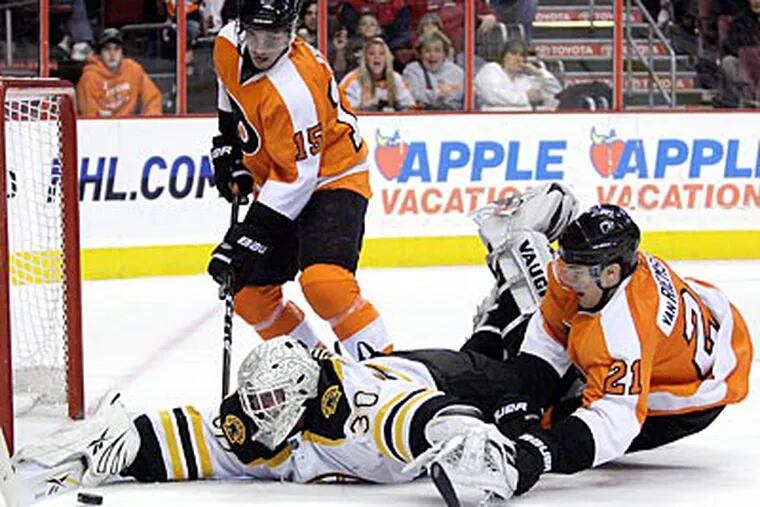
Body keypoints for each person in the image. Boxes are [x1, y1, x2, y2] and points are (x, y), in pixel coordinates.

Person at [410, 203, 754, 504]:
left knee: (554, 423)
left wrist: (536, 455)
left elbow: (614, 420)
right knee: (520, 381)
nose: (565, 277)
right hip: (664, 344)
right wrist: (520, 399)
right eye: (565, 266)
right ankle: (499, 315)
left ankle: (493, 339)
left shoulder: (626, 330)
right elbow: (548, 341)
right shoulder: (586, 275)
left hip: (680, 393)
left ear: (611, 273)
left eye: (575, 272)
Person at [1, 336, 547, 504]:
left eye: (270, 401)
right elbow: (194, 440)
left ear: (303, 394)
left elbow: (422, 416)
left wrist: (468, 437)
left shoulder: (356, 409)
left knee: (537, 385)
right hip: (407, 374)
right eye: (255, 399)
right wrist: (128, 443)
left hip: (441, 375)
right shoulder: (257, 424)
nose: (258, 412)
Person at [207, 0, 391, 361]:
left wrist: (249, 234)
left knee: (325, 283)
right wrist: (228, 145)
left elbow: (298, 179)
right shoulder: (227, 42)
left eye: (273, 36)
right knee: (248, 294)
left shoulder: (295, 88)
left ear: (291, 34)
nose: (261, 48)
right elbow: (229, 87)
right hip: (282, 177)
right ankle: (312, 369)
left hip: (333, 176)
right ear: (241, 28)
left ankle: (386, 373)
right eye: (254, 34)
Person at [76, 28, 163, 117]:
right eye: (107, 49)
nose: (112, 54)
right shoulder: (89, 78)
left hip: (129, 123)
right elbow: (90, 115)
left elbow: (153, 98)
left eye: (116, 49)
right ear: (100, 54)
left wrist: (149, 119)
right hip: (103, 125)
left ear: (122, 52)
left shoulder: (133, 69)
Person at [474, 39, 562, 111]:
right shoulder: (491, 69)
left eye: (521, 56)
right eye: (513, 54)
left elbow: (555, 90)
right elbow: (493, 97)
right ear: (503, 56)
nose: (518, 59)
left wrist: (538, 73)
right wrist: (526, 96)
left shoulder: (525, 80)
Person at [339, 37, 415, 111]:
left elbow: (409, 106)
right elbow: (339, 109)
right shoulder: (352, 80)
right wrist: (361, 107)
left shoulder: (396, 78)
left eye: (381, 53)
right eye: (371, 54)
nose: (377, 57)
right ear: (365, 59)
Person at [401, 30, 463, 110]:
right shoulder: (411, 70)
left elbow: (461, 96)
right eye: (427, 51)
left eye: (437, 50)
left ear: (445, 53)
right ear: (420, 54)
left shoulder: (456, 71)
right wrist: (438, 94)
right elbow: (412, 95)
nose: (432, 55)